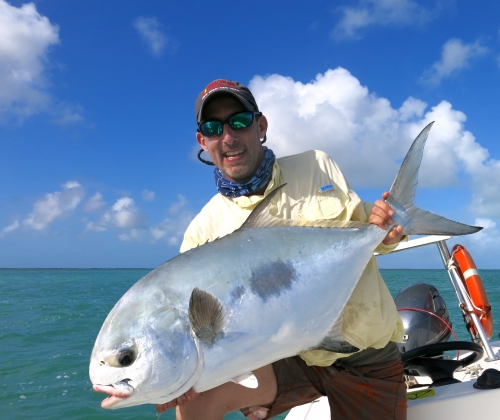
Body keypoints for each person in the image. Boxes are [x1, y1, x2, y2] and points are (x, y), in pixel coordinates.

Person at [156, 79, 407, 419]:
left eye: (239, 121)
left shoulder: (316, 166)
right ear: (203, 141)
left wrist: (386, 231)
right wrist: (181, 376)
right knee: (196, 403)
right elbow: (196, 330)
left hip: (363, 352)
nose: (228, 136)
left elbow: (362, 228)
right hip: (285, 357)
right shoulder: (203, 231)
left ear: (261, 126)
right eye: (214, 127)